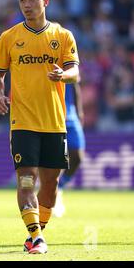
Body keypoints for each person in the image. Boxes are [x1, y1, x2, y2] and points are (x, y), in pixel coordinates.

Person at [0, 0, 80, 254]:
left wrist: (62, 75)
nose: (27, 5)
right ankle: (36, 237)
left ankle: (36, 232)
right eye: (22, 0)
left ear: (45, 1)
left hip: (54, 122)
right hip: (23, 122)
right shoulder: (9, 37)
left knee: (50, 185)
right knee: (26, 179)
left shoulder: (63, 35)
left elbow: (75, 71)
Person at [53, 82, 85, 217]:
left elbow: (75, 84)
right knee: (54, 160)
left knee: (77, 157)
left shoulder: (67, 62)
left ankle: (59, 187)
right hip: (52, 116)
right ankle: (53, 198)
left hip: (70, 116)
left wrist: (79, 111)